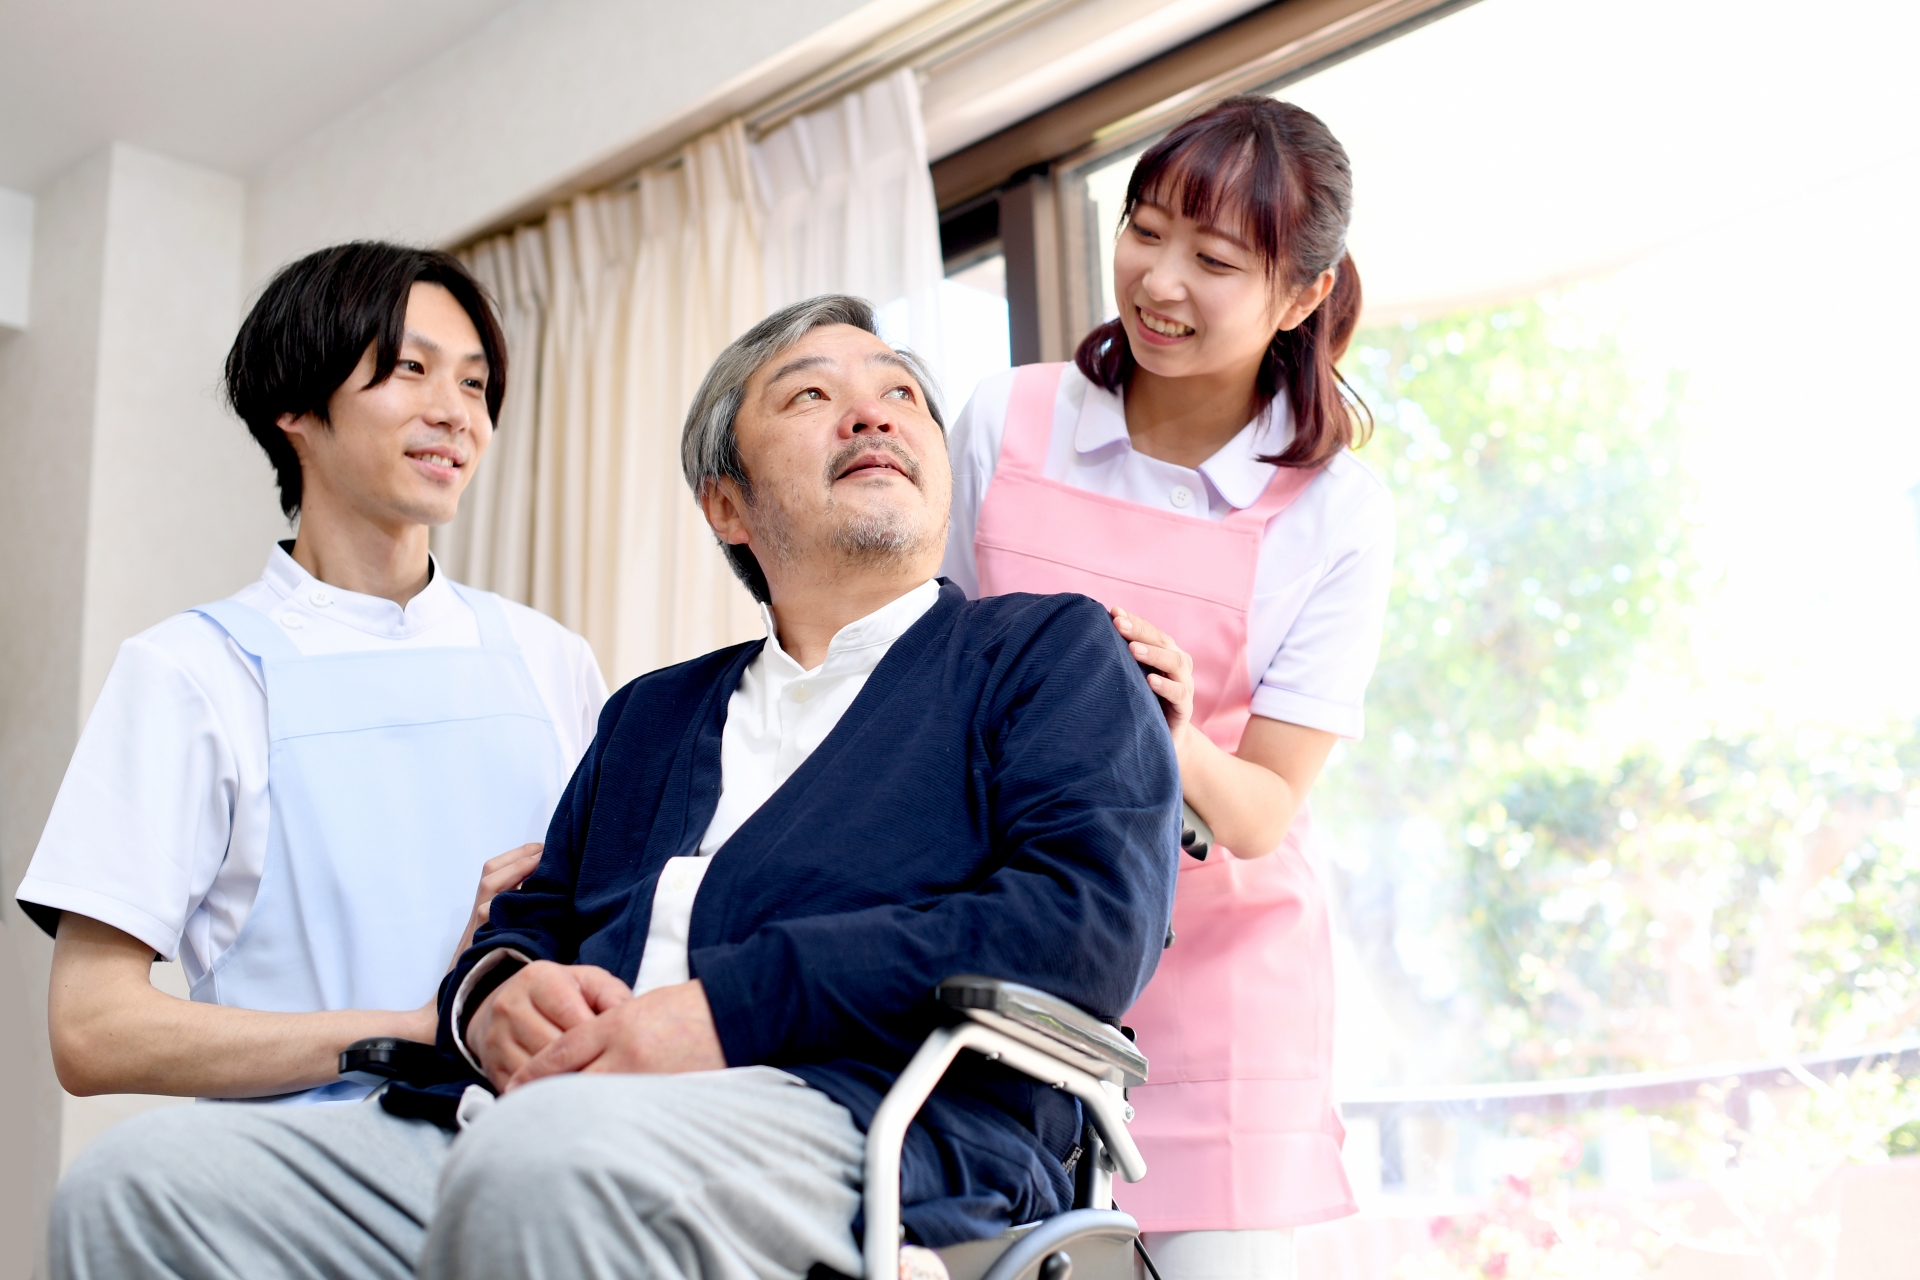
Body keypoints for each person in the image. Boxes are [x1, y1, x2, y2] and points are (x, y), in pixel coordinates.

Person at [47, 294, 1180, 1280]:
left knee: (551, 1160)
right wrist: (494, 996)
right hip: (524, 1119)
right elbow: (535, 916)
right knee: (142, 1184)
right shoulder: (653, 713)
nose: (873, 414)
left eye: (901, 395)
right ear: (727, 506)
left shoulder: (1043, 654)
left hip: (857, 1113)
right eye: (811, 395)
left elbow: (1085, 922)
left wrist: (722, 1010)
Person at [943, 97, 1393, 1276]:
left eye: (1215, 260)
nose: (1160, 281)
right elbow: (921, 683)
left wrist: (1174, 733)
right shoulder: (1009, 418)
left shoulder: (1335, 510)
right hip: (1008, 943)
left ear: (1300, 295)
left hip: (1220, 987)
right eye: (1145, 231)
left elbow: (1262, 810)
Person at [16, 242, 608, 1104]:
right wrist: (411, 1030)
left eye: (475, 384)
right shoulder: (193, 671)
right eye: (411, 369)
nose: (456, 414)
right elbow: (91, 1030)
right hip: (289, 1169)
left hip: (528, 1157)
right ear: (295, 403)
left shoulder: (553, 659)